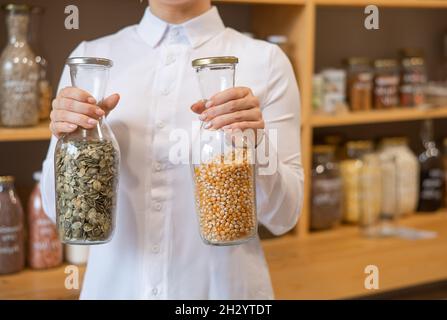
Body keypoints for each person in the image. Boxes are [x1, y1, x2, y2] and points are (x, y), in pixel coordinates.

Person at [41, 0, 304, 299]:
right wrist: (68, 140)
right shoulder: (89, 60)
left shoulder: (266, 61)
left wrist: (256, 143)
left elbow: (285, 216)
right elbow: (54, 209)